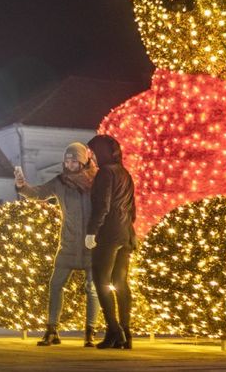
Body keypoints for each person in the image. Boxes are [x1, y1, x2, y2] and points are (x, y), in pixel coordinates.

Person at [16, 142, 99, 347]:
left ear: (83, 161)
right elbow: (38, 193)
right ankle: (52, 331)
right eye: (67, 161)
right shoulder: (60, 182)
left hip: (92, 244)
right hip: (68, 244)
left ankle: (90, 332)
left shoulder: (97, 181)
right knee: (55, 285)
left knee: (93, 289)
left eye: (74, 160)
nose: (70, 164)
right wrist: (22, 186)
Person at [84, 133, 137, 350]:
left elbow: (102, 206)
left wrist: (91, 232)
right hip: (126, 232)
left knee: (102, 281)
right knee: (121, 283)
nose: (92, 157)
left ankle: (114, 330)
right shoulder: (125, 173)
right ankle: (125, 333)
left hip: (108, 233)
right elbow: (132, 209)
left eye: (94, 152)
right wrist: (127, 229)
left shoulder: (105, 173)